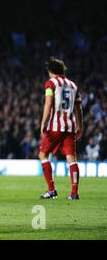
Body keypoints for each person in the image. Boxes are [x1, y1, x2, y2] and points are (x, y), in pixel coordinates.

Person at [39, 57, 83, 200]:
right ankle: (74, 193)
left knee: (43, 155)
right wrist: (80, 126)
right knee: (72, 159)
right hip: (70, 127)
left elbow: (48, 103)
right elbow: (79, 107)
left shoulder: (51, 84)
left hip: (55, 127)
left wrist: (43, 122)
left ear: (51, 71)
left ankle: (51, 190)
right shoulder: (73, 85)